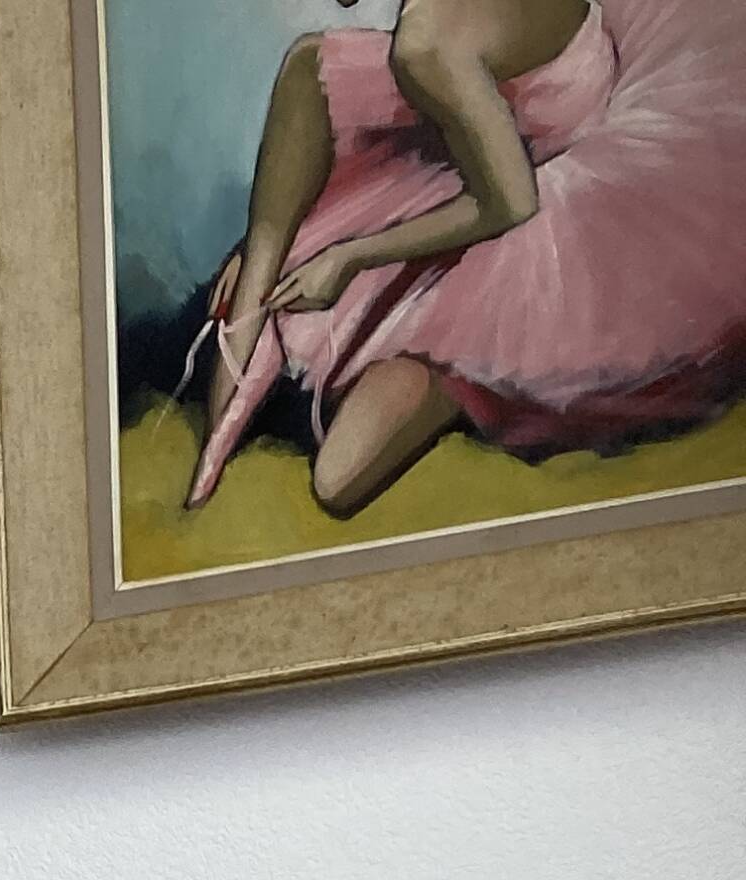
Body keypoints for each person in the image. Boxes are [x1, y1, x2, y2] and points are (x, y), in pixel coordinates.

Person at [184, 0, 746, 516]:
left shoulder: (427, 41)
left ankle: (445, 368)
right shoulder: (426, 41)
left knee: (337, 483)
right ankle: (250, 327)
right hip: (497, 120)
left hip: (540, 186)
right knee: (311, 69)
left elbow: (511, 204)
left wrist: (349, 255)